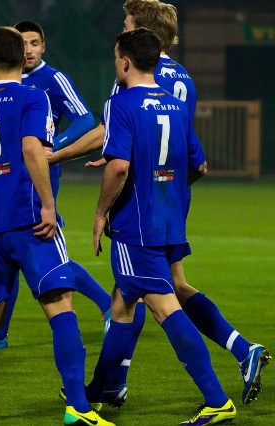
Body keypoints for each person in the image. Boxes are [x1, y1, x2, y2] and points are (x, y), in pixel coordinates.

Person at [54, 0, 269, 407]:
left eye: (127, 23)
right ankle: (110, 384)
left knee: (161, 297)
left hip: (140, 206)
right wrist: (168, 182)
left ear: (139, 35)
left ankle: (223, 380)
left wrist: (56, 156)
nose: (122, 27)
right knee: (134, 292)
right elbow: (196, 160)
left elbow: (109, 134)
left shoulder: (133, 79)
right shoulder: (183, 77)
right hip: (173, 198)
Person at [0, 26, 114, 426]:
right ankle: (78, 410)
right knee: (60, 308)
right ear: (22, 57)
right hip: (31, 224)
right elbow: (33, 149)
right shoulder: (33, 97)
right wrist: (49, 206)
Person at [86, 28, 236, 425]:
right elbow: (196, 164)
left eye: (117, 56)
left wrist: (101, 213)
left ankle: (217, 400)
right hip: (169, 219)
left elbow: (118, 167)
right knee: (122, 307)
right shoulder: (175, 105)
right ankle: (95, 392)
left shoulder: (121, 104)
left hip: (137, 225)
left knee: (166, 309)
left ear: (126, 61)